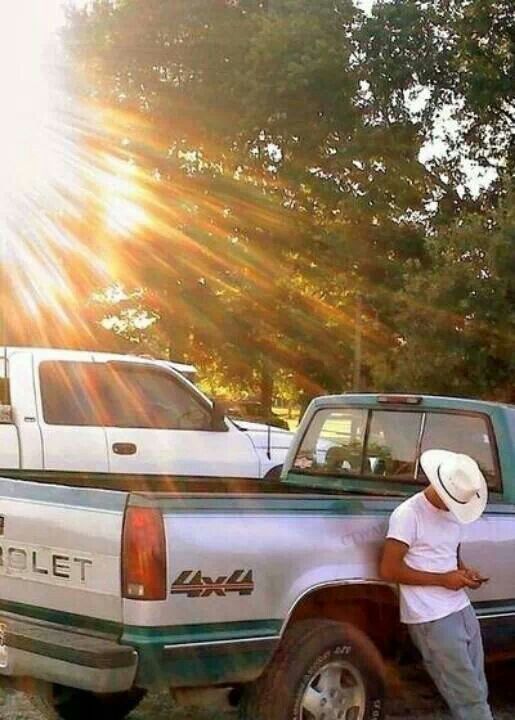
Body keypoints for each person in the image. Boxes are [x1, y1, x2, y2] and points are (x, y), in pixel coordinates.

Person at [380, 449, 494, 720]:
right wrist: (443, 580)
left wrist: (464, 572)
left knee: (478, 687)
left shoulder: (453, 511)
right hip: (430, 615)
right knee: (468, 697)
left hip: (460, 607)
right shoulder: (408, 514)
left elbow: (448, 553)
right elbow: (388, 569)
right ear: (441, 488)